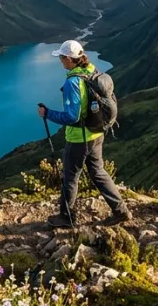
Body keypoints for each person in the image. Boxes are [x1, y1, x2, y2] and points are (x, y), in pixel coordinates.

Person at [38, 40, 131, 229]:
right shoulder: (91, 70)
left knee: (70, 177)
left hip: (79, 139)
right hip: (97, 134)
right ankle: (121, 211)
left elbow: (72, 117)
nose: (61, 61)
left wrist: (48, 113)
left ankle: (67, 217)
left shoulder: (73, 81)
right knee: (98, 172)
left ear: (71, 59)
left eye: (62, 57)